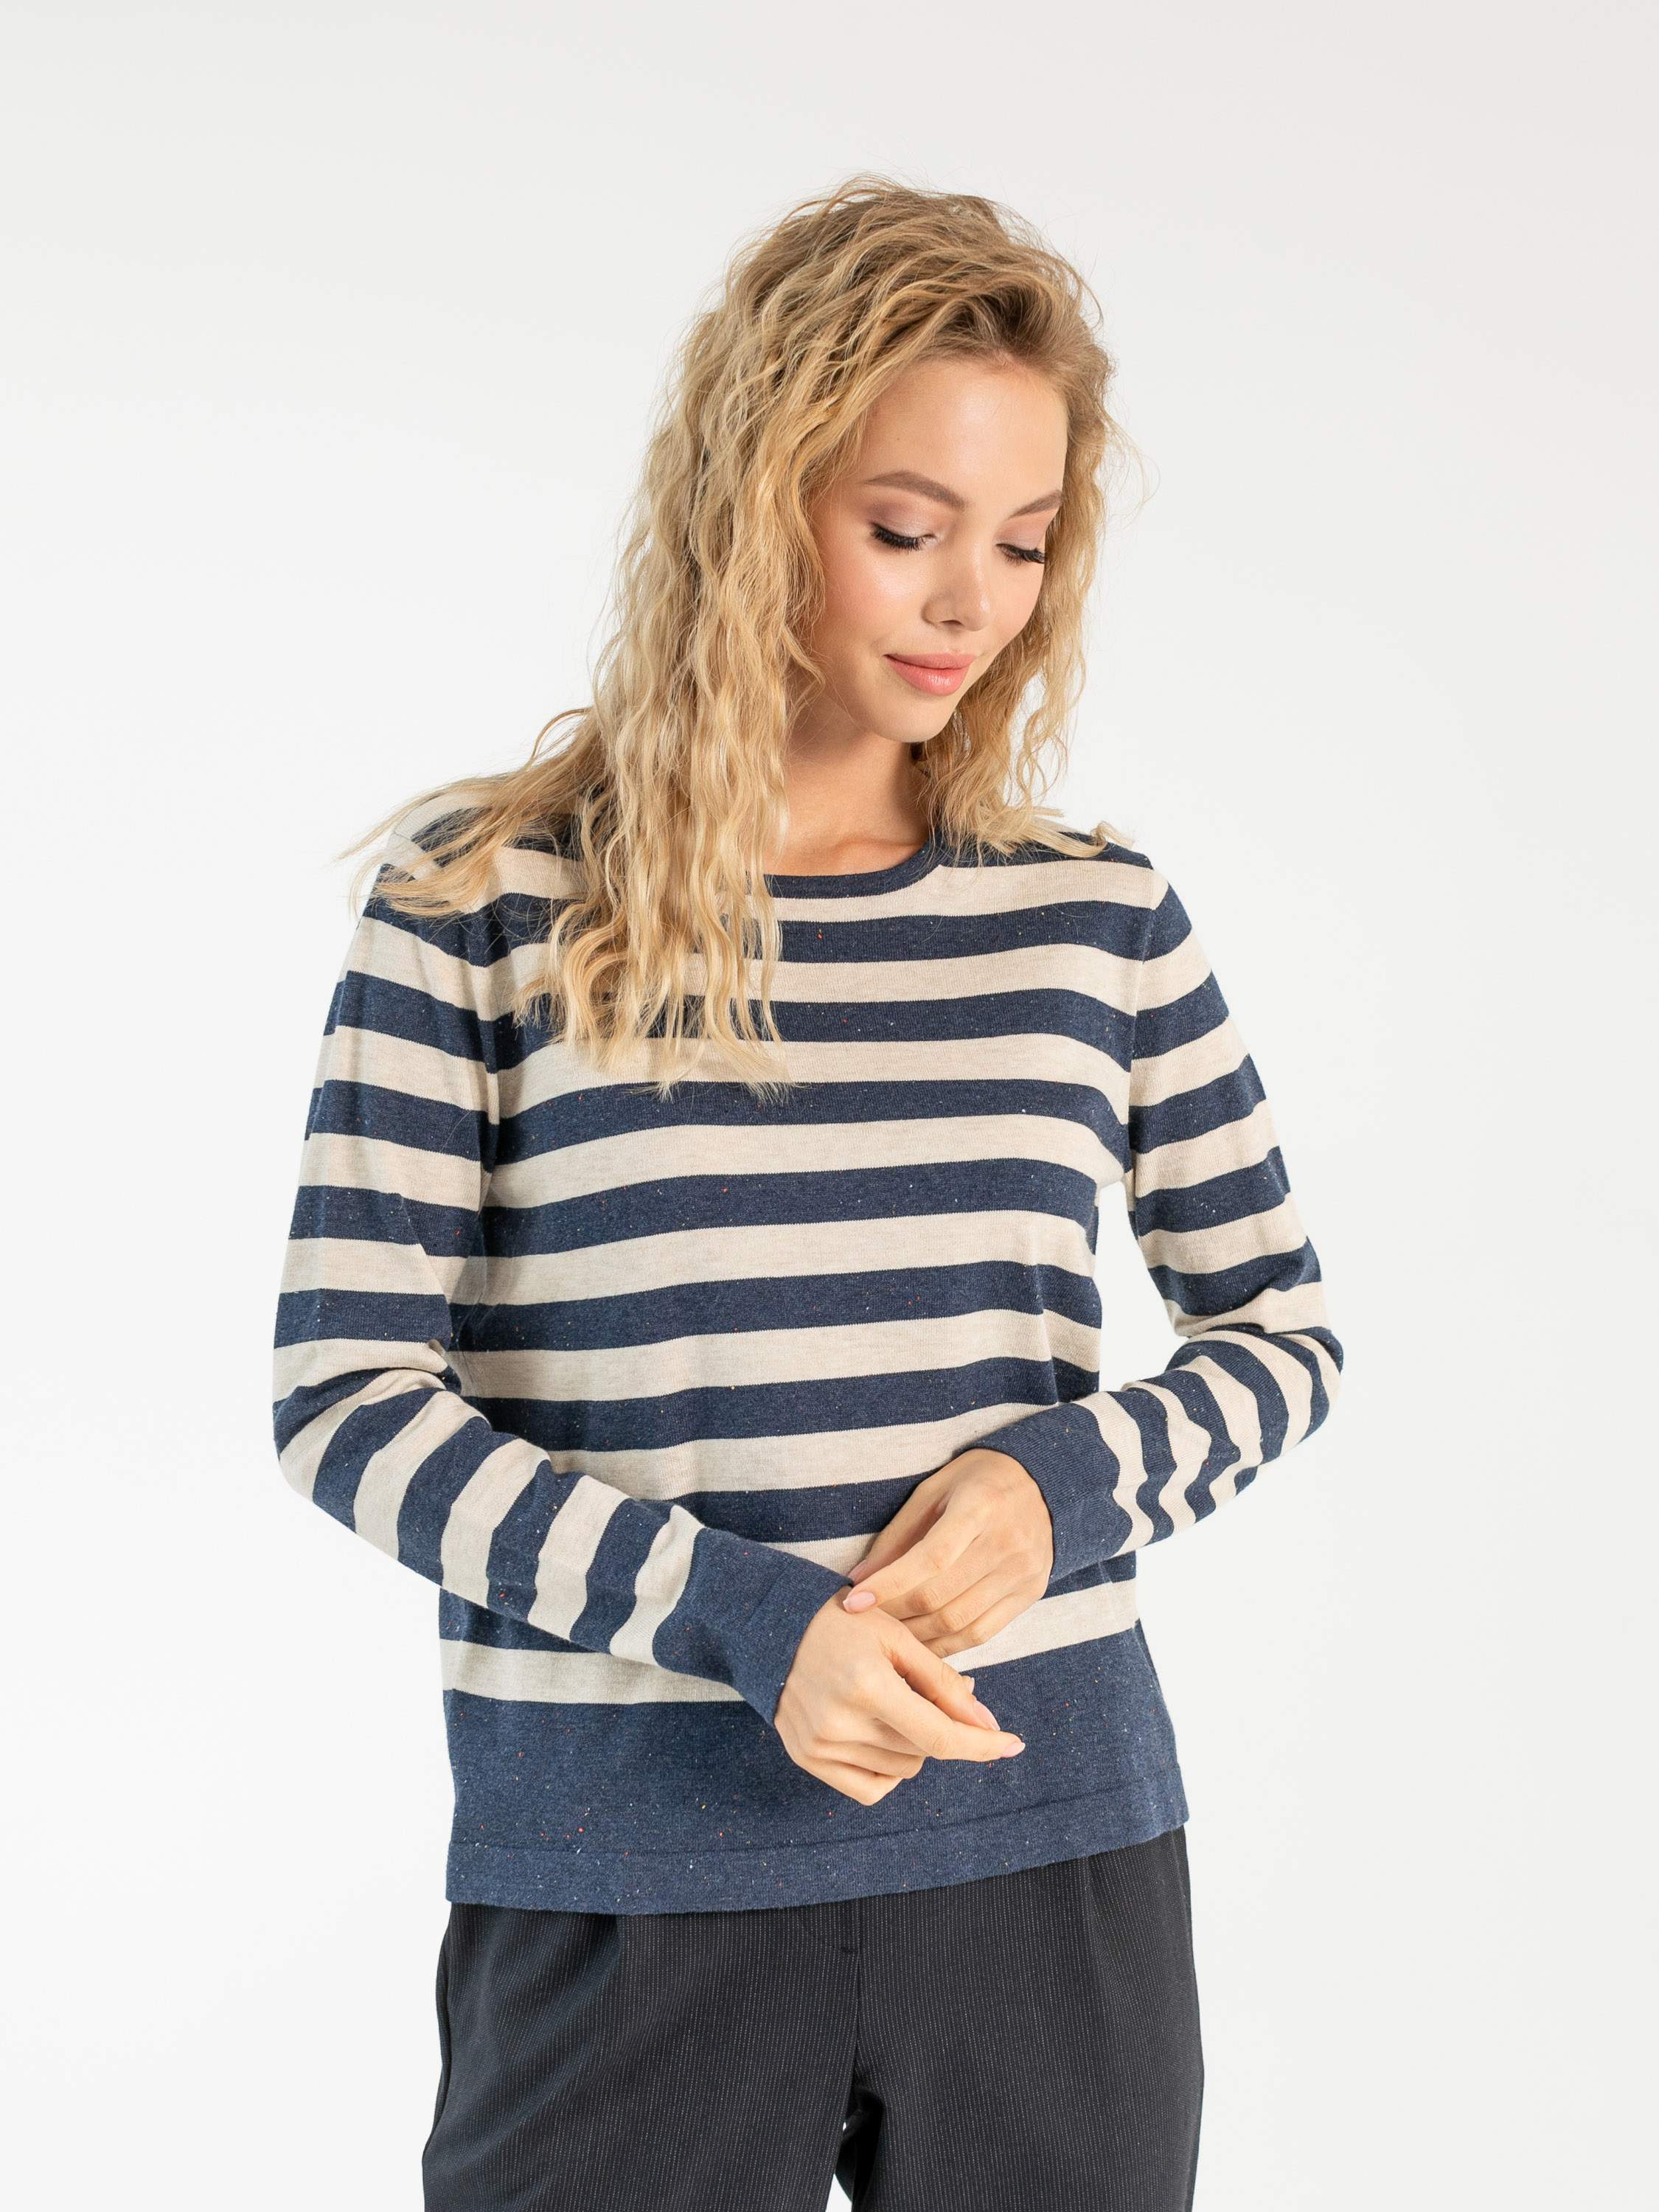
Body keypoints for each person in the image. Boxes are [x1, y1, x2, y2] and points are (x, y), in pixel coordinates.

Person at [274, 177, 1342, 2212]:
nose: (970, 604)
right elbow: (346, 1402)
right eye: (905, 527)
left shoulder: (1095, 919)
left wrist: (1055, 1489)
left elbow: (1280, 1331)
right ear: (753, 505)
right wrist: (749, 1622)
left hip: (1048, 1866)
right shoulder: (483, 906)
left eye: (1022, 540)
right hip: (627, 1888)